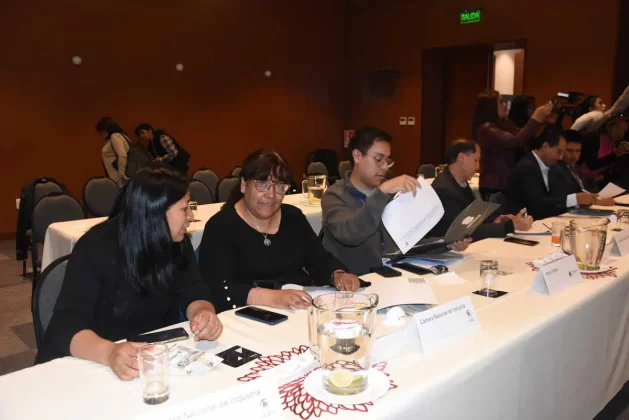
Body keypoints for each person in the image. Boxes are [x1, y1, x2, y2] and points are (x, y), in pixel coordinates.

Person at [36, 167, 223, 380]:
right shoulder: (96, 247)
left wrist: (203, 312)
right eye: (184, 208)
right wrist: (110, 353)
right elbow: (65, 326)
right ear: (156, 212)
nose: (191, 216)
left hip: (150, 357)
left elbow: (194, 290)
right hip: (95, 360)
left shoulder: (176, 242)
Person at [198, 150, 360, 314]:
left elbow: (319, 258)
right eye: (262, 184)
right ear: (244, 185)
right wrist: (273, 297)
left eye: (280, 187)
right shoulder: (221, 227)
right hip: (247, 315)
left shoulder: (293, 217)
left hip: (297, 309)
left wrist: (337, 275)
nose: (271, 195)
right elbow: (218, 288)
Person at [321, 126, 471, 275]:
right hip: (357, 279)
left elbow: (408, 241)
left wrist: (445, 243)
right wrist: (381, 192)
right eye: (378, 159)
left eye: (388, 160)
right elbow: (351, 234)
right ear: (357, 156)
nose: (385, 167)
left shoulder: (391, 193)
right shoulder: (334, 196)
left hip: (395, 273)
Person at [429, 140, 532, 241]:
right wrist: (509, 226)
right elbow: (464, 230)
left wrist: (495, 221)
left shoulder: (459, 182)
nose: (478, 166)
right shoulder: (444, 189)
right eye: (476, 160)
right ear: (462, 158)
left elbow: (473, 217)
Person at [472, 90, 553, 200]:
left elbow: (523, 135)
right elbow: (516, 141)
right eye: (501, 102)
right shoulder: (487, 129)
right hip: (495, 185)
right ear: (490, 106)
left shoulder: (502, 124)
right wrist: (535, 119)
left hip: (504, 183)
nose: (505, 105)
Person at [506, 126, 596, 220]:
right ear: (545, 146)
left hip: (546, 220)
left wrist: (579, 200)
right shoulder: (527, 167)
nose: (561, 157)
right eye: (559, 152)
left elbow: (559, 197)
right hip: (522, 222)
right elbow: (537, 203)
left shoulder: (554, 167)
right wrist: (574, 199)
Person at [579, 117, 629, 188]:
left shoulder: (615, 144)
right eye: (618, 129)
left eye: (624, 131)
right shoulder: (594, 139)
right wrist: (615, 154)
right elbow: (592, 165)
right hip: (581, 180)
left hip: (598, 182)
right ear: (609, 127)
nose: (621, 134)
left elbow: (612, 169)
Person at [95, 117, 131, 188]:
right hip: (121, 177)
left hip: (120, 179)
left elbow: (122, 154)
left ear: (107, 129)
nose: (101, 134)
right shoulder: (121, 135)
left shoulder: (114, 136)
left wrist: (122, 173)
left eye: (102, 131)